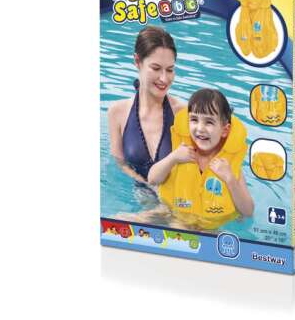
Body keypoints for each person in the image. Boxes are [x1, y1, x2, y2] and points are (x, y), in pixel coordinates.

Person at [149, 88, 254, 225]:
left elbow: (248, 211)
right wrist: (173, 158)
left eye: (209, 122)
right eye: (194, 120)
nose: (200, 128)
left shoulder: (228, 165)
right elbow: (152, 179)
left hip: (207, 226)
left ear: (225, 130)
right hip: (168, 211)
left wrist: (230, 179)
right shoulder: (181, 152)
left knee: (178, 227)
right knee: (128, 220)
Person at [106, 26, 184, 184]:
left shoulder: (183, 113)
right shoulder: (117, 112)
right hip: (135, 193)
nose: (164, 79)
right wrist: (146, 188)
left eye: (170, 70)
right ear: (137, 61)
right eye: (156, 68)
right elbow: (120, 163)